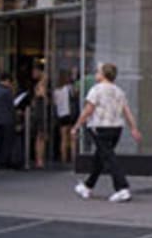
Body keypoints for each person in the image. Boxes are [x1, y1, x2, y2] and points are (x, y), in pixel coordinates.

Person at [71, 62, 141, 202]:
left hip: (100, 127)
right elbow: (127, 112)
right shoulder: (119, 91)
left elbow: (88, 110)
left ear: (103, 75)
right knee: (101, 156)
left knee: (109, 157)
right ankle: (88, 186)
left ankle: (122, 188)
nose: (96, 74)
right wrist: (133, 128)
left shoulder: (96, 90)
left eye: (98, 72)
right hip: (116, 128)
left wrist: (76, 126)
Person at [53, 70, 77, 165]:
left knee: (63, 138)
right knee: (72, 138)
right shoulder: (69, 88)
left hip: (61, 115)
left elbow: (55, 103)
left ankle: (63, 158)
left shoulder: (56, 90)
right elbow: (75, 95)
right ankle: (73, 158)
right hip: (70, 114)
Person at [30, 67, 49, 168]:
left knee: (40, 137)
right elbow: (42, 95)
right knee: (40, 137)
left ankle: (39, 159)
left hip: (39, 112)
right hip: (40, 113)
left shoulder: (39, 84)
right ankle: (39, 160)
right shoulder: (40, 85)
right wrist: (45, 97)